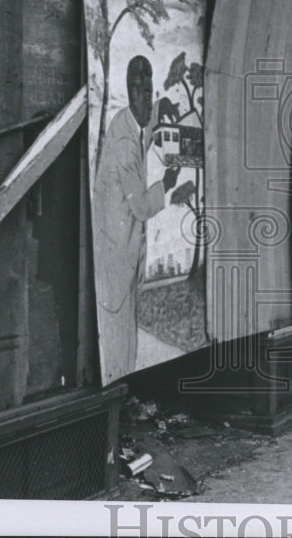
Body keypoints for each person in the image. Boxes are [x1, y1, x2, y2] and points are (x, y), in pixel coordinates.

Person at [92, 56, 179, 385]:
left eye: (150, 89)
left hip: (124, 248)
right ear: (129, 93)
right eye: (140, 91)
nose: (146, 96)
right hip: (115, 252)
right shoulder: (125, 143)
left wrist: (162, 106)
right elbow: (142, 207)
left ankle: (123, 390)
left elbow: (148, 123)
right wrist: (167, 185)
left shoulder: (128, 123)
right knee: (117, 334)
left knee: (126, 329)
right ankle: (117, 391)